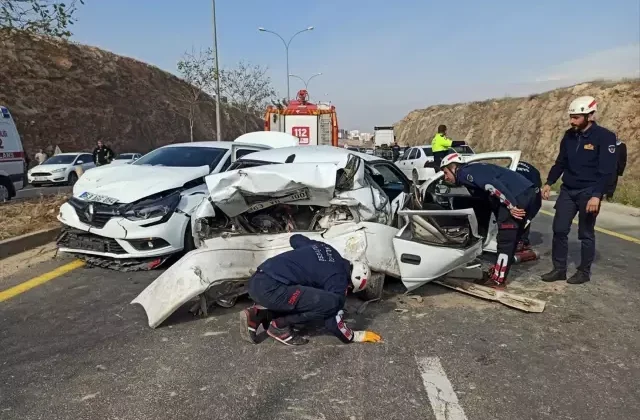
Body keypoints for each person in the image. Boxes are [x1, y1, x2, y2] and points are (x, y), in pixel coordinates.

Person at [239, 234, 383, 346]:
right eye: (350, 288)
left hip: (257, 279)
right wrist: (355, 336)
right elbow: (332, 322)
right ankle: (279, 326)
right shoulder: (339, 280)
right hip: (271, 290)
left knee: (306, 294)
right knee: (332, 303)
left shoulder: (327, 249)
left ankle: (259, 314)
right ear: (352, 282)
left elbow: (295, 239)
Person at [540, 96, 618, 284]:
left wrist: (597, 195)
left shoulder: (605, 137)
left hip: (589, 192)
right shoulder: (569, 135)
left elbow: (607, 170)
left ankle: (584, 272)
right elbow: (561, 162)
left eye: (576, 117)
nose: (572, 121)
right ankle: (559, 269)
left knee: (585, 233)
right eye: (571, 117)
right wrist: (549, 182)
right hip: (568, 190)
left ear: (590, 116)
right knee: (559, 229)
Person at [440, 153, 540, 288]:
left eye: (446, 172)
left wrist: (511, 205)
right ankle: (499, 273)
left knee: (505, 239)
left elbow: (491, 185)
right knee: (511, 240)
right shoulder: (474, 169)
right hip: (528, 192)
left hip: (516, 196)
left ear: (454, 167)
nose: (445, 177)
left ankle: (498, 280)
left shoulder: (465, 173)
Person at [515, 160, 542, 249]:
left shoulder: (534, 187)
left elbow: (536, 204)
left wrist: (528, 219)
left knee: (525, 216)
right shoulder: (508, 175)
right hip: (514, 185)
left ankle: (522, 240)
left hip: (529, 189)